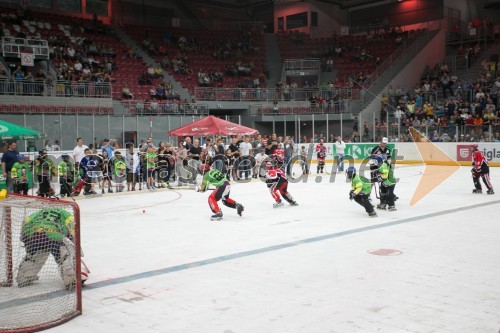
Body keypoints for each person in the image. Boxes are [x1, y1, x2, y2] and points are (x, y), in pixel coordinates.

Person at [16, 207, 77, 290]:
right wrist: (73, 241)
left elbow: (26, 221)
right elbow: (72, 227)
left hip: (33, 234)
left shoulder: (40, 212)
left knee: (34, 256)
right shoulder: (64, 212)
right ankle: (70, 279)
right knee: (65, 255)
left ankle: (23, 277)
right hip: (53, 235)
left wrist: (25, 237)